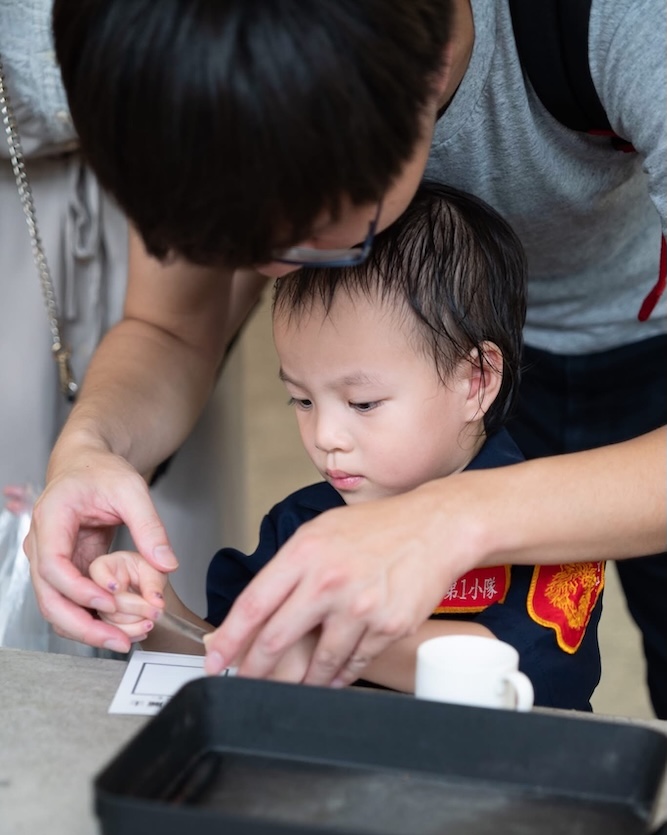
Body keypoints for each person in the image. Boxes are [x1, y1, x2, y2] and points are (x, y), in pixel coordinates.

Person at [25, 1, 665, 706]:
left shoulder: (628, 25)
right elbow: (170, 329)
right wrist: (88, 449)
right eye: (227, 243)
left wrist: (447, 520)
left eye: (311, 235)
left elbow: (520, 675)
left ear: (432, 73)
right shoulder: (186, 80)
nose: (265, 272)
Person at [90, 184, 603, 710]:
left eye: (362, 403)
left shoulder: (549, 527)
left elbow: (518, 668)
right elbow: (227, 653)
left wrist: (315, 633)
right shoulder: (303, 526)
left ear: (475, 382)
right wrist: (156, 613)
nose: (325, 437)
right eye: (302, 400)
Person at [0, 0, 245, 647]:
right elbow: (170, 331)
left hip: (174, 167)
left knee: (170, 519)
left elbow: (174, 329)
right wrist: (88, 447)